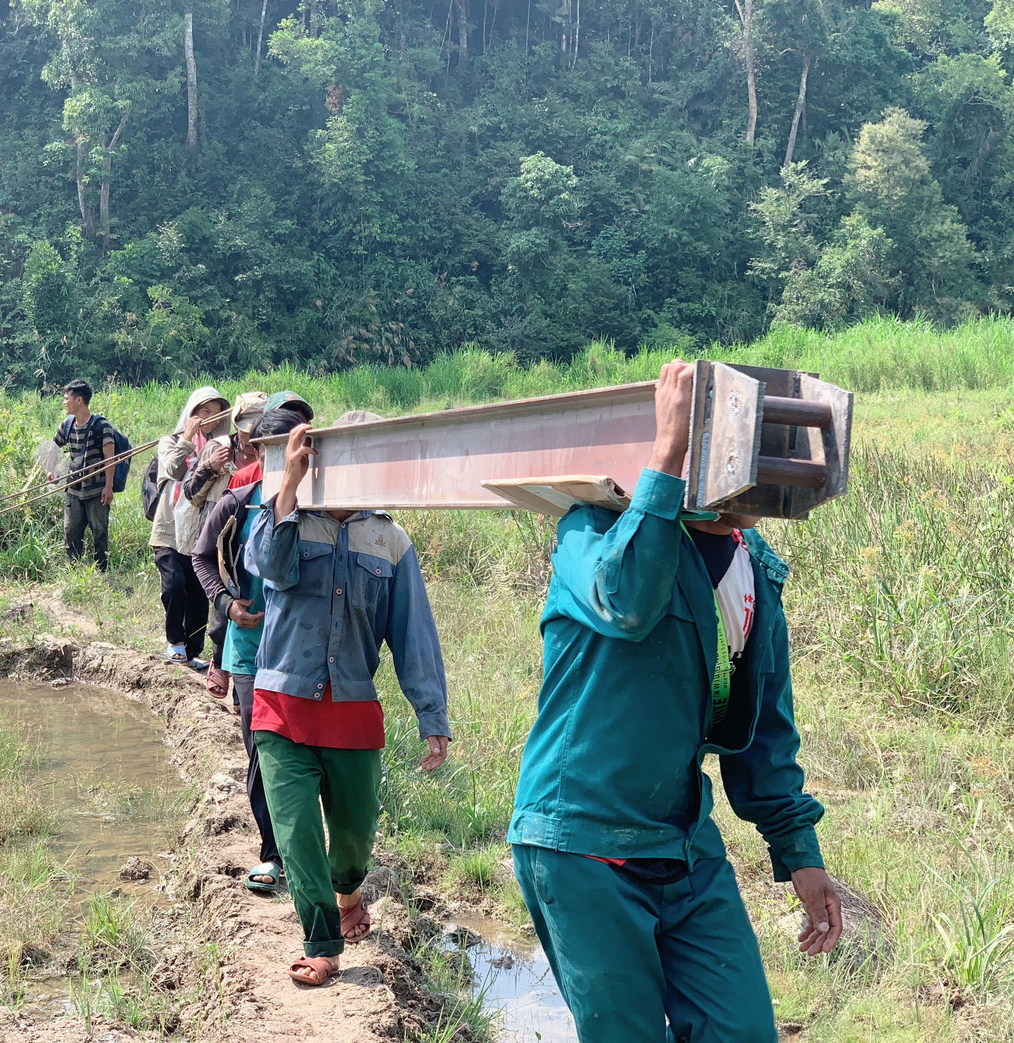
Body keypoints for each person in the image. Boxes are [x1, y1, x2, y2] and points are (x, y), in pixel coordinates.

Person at [508, 360, 843, 1043]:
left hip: (683, 845)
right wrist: (665, 460)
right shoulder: (590, 530)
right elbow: (626, 601)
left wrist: (800, 854)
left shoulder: (755, 569)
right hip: (581, 841)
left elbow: (765, 735)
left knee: (743, 1031)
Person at [247, 415, 451, 988]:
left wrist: (432, 715)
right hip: (281, 704)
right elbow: (269, 567)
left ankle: (349, 890)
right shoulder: (285, 514)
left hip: (353, 710)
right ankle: (321, 943)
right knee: (297, 834)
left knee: (355, 832)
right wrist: (289, 485)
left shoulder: (390, 539)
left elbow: (413, 633)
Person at [191, 401, 313, 895]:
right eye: (281, 449)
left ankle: (302, 845)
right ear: (260, 450)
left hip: (303, 651)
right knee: (262, 748)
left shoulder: (323, 504)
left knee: (302, 749)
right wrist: (226, 603)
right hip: (248, 649)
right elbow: (201, 557)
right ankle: (272, 852)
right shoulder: (238, 502)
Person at [182, 390, 268, 700]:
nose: (250, 433)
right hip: (220, 536)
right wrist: (209, 468)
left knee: (249, 599)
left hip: (251, 536)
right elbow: (191, 494)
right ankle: (220, 663)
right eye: (245, 425)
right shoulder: (219, 449)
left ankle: (239, 684)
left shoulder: (269, 456)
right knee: (223, 605)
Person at [150, 387, 230, 667]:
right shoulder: (169, 442)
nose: (209, 418)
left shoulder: (217, 447)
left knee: (198, 595)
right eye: (204, 411)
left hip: (198, 532)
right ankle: (175, 642)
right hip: (168, 530)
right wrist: (187, 437)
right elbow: (174, 469)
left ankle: (192, 652)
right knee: (174, 587)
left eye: (215, 414)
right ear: (191, 412)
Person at [50, 379, 117, 573]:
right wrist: (50, 470)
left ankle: (101, 571)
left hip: (97, 491)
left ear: (79, 400)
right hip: (74, 490)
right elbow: (54, 447)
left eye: (66, 398)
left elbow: (110, 459)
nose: (64, 402)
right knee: (71, 532)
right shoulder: (67, 425)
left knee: (99, 532)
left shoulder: (101, 426)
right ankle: (73, 571)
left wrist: (109, 487)